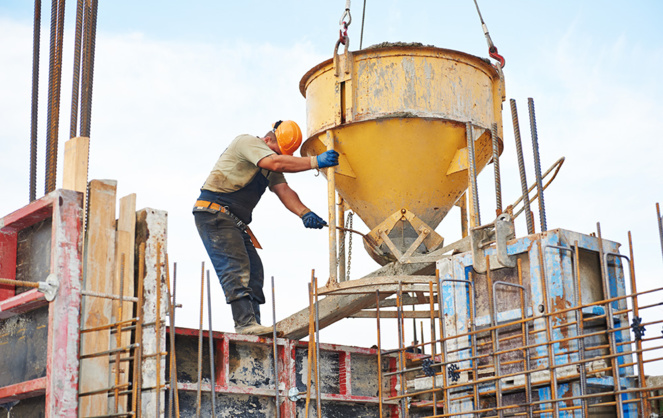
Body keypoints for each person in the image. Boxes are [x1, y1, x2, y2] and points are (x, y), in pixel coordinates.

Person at [193, 120, 339, 335]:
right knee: (235, 266)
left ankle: (254, 324)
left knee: (254, 271)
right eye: (275, 152)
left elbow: (283, 189)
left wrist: (304, 212)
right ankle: (244, 324)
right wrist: (315, 161)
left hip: (233, 220)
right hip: (214, 212)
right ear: (267, 140)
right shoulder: (247, 142)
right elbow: (277, 163)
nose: (276, 156)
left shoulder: (269, 163)